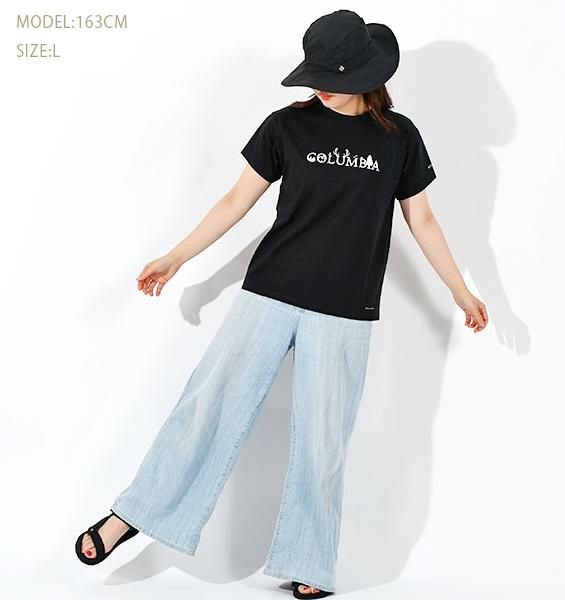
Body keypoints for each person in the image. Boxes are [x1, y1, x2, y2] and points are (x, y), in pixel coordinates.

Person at [74, 9, 488, 599]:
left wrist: (459, 289)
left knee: (324, 440)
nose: (319, 86)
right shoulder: (286, 127)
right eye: (313, 73)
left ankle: (309, 562)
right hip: (270, 292)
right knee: (208, 405)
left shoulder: (399, 137)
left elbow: (421, 219)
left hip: (345, 309)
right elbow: (234, 201)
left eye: (330, 76)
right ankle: (133, 514)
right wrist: (176, 257)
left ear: (364, 74)